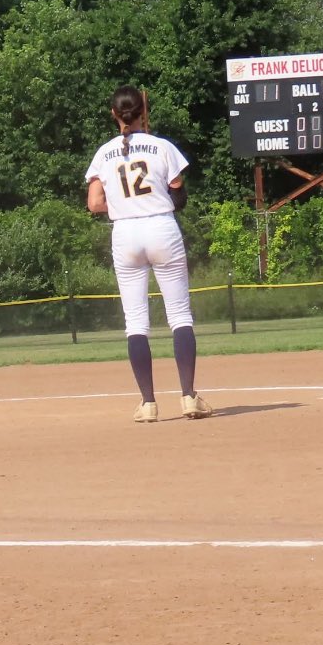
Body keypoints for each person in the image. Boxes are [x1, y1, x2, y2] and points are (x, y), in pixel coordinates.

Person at [84, 84, 212, 422]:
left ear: (114, 114)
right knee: (180, 317)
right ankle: (188, 397)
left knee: (135, 323)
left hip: (125, 232)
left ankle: (148, 404)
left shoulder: (104, 153)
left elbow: (94, 203)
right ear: (144, 111)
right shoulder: (162, 146)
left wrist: (125, 203)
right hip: (160, 227)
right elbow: (179, 198)